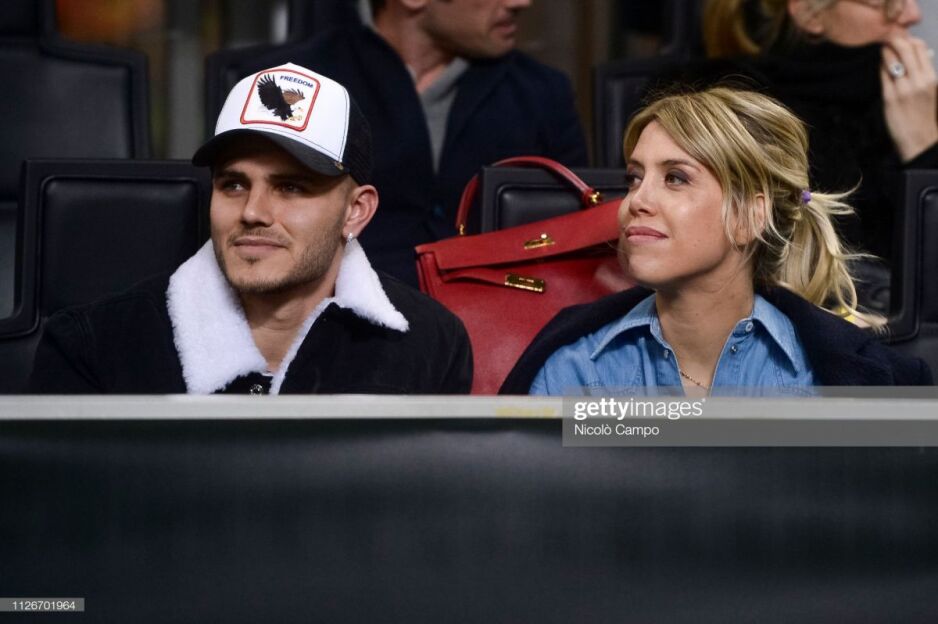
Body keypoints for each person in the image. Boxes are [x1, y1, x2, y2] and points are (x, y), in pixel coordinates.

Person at [29, 63, 472, 394]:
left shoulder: (430, 344)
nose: (253, 212)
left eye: (292, 187)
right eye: (234, 184)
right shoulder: (93, 346)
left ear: (355, 211)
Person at [500, 87, 933, 396]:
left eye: (675, 178)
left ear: (750, 216)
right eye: (634, 178)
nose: (636, 201)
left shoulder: (825, 377)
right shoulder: (574, 370)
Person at [239, 0, 588, 286]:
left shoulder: (542, 92)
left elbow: (578, 236)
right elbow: (255, 214)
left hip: (499, 319)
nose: (520, 3)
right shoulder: (297, 81)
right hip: (335, 318)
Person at [684, 0, 938, 275]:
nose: (913, 14)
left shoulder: (912, 100)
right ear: (809, 14)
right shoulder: (745, 119)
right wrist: (926, 156)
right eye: (888, 4)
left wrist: (924, 144)